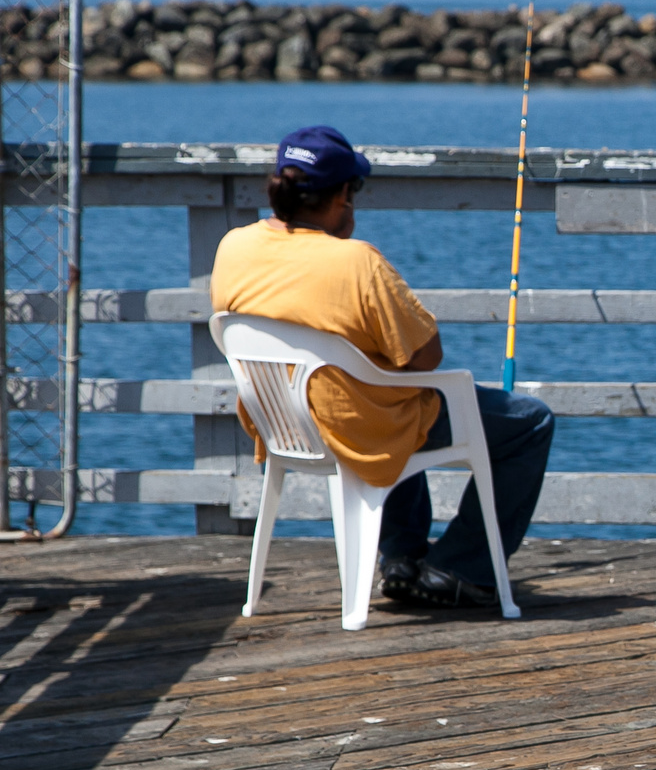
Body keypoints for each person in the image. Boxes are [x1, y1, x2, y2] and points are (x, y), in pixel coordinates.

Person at [211, 125, 555, 609]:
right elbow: (426, 355)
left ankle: (401, 558)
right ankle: (459, 568)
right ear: (342, 195)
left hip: (285, 425)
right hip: (359, 424)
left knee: (383, 386)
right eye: (354, 191)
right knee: (528, 420)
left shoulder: (234, 247)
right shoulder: (356, 261)